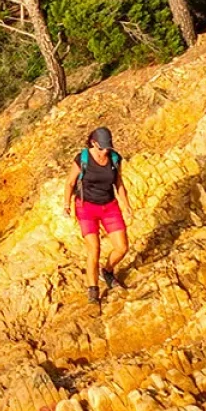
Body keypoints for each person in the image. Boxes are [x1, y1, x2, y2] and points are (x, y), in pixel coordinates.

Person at [67, 126, 131, 304]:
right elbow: (70, 182)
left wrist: (126, 205)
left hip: (109, 206)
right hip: (86, 207)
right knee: (94, 249)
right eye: (102, 147)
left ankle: (107, 271)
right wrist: (66, 204)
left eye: (107, 147)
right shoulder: (83, 158)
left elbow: (119, 183)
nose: (105, 150)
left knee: (122, 247)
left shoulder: (114, 158)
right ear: (93, 143)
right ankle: (93, 289)